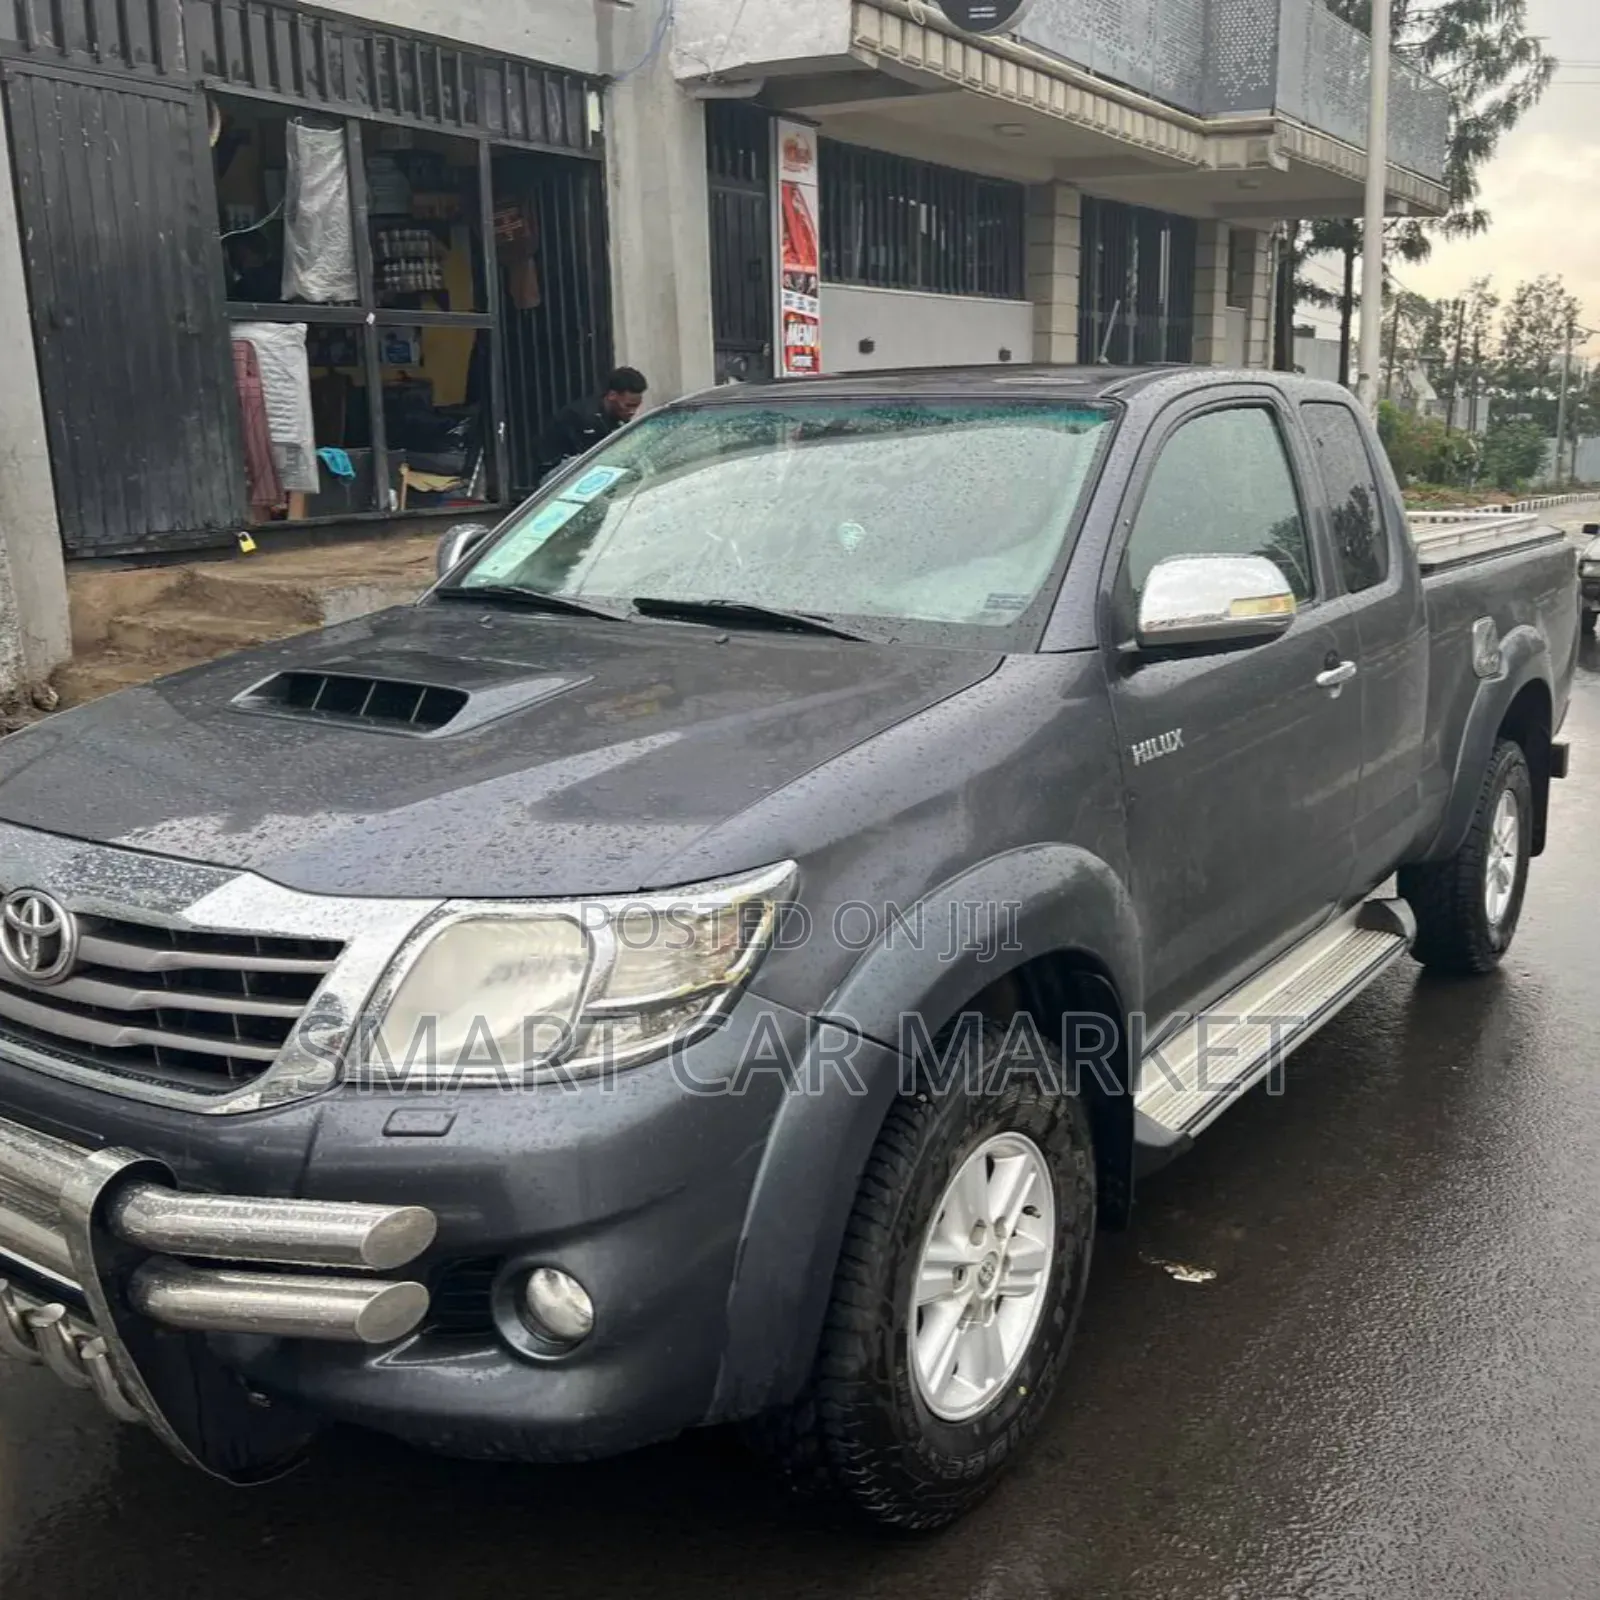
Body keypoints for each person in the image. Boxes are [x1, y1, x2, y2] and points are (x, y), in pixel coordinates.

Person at [535, 367, 648, 483]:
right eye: (628, 406)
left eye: (636, 406)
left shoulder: (618, 417)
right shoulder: (581, 416)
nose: (632, 412)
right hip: (556, 477)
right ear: (612, 395)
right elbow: (589, 459)